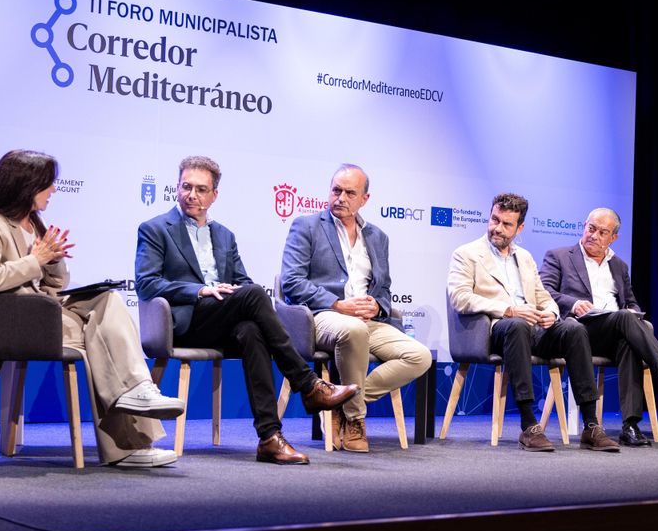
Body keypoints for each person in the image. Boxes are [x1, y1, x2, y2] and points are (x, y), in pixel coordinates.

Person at [0, 150, 186, 468]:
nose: (53, 190)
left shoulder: (34, 224)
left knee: (108, 300)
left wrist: (54, 261)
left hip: (45, 311)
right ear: (27, 185)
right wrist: (34, 260)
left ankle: (138, 391)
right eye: (48, 184)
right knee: (100, 339)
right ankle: (128, 442)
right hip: (20, 321)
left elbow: (50, 286)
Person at [135, 155, 358, 464]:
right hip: (184, 321)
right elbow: (147, 284)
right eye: (186, 187)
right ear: (176, 187)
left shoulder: (224, 235)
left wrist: (234, 292)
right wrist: (199, 289)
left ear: (214, 195)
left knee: (252, 330)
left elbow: (242, 281)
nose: (192, 195)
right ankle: (306, 383)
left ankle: (269, 438)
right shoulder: (156, 229)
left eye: (201, 189)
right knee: (254, 296)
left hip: (221, 320)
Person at [446, 193, 618, 453]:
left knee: (573, 328)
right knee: (516, 326)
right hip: (496, 329)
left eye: (506, 224)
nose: (497, 228)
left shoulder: (524, 257)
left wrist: (550, 312)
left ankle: (591, 425)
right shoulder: (467, 254)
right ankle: (529, 425)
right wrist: (508, 310)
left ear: (520, 228)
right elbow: (460, 298)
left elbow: (543, 296)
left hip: (534, 328)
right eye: (494, 220)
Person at [279, 164, 431, 452]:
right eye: (336, 190)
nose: (341, 198)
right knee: (353, 329)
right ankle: (356, 418)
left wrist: (377, 304)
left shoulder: (377, 237)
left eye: (350, 193)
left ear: (365, 199)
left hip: (367, 322)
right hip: (323, 317)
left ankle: (339, 399)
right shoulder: (307, 226)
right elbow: (291, 281)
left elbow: (383, 288)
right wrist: (338, 304)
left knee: (419, 356)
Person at [539, 208, 658, 446]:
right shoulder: (559, 256)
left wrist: (631, 311)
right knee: (625, 320)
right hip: (575, 330)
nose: (594, 235)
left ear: (613, 237)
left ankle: (630, 425)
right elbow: (544, 291)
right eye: (591, 228)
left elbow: (630, 303)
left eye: (602, 232)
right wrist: (574, 303)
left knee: (628, 339)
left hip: (610, 330)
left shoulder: (619, 265)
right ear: (584, 226)